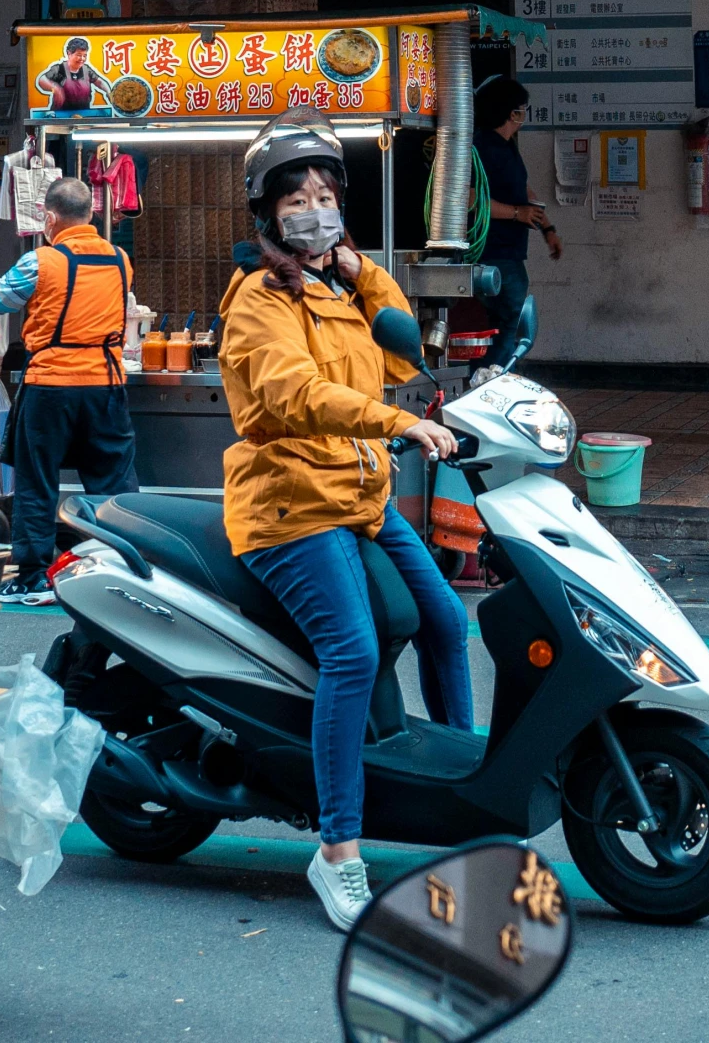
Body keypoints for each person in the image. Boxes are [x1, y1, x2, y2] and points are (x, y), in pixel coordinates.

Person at [218, 110, 472, 931]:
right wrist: (400, 425)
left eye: (327, 192)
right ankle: (337, 852)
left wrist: (365, 273)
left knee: (444, 619)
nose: (316, 207)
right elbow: (293, 394)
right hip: (291, 501)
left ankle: (456, 794)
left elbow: (400, 356)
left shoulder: (340, 288)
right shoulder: (260, 298)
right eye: (299, 196)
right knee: (353, 649)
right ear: (269, 213)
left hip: (358, 493)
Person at [0, 174, 136, 604]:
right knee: (112, 484)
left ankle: (32, 575)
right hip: (106, 385)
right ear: (91, 214)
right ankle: (124, 568)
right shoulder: (121, 259)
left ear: (48, 217)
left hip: (51, 385)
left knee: (37, 481)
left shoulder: (41, 261)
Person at [472, 77, 560, 364]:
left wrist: (547, 228)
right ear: (512, 113)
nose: (524, 114)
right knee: (506, 324)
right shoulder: (481, 145)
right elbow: (470, 199)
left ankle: (499, 375)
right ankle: (492, 380)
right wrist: (516, 213)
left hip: (510, 254)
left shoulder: (508, 145)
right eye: (523, 109)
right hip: (491, 255)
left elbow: (523, 190)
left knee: (511, 325)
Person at [34, 36, 114, 112]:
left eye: (84, 55)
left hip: (83, 116)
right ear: (69, 54)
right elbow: (41, 80)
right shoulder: (59, 69)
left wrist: (108, 92)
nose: (82, 59)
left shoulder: (87, 70)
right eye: (79, 55)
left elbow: (100, 82)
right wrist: (55, 88)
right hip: (60, 117)